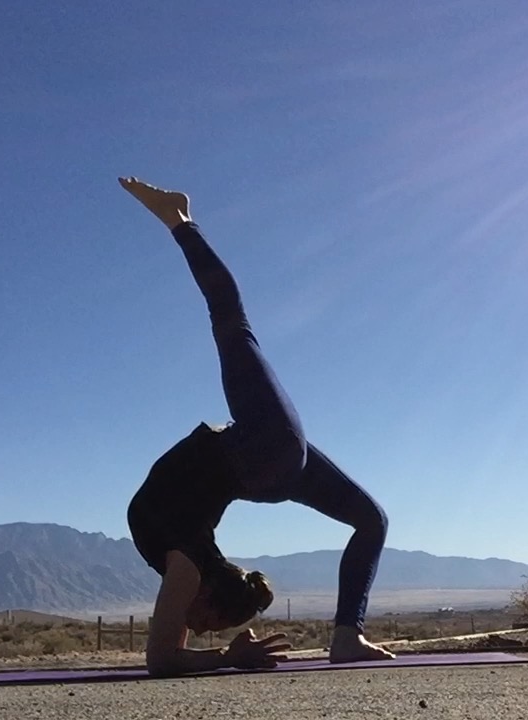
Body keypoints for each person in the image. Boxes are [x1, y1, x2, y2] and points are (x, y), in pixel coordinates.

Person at [118, 176, 396, 677]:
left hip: (263, 465)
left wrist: (224, 657)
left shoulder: (186, 565)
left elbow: (165, 657)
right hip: (260, 452)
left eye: (206, 628)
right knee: (231, 322)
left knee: (373, 520)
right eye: (208, 624)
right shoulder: (188, 568)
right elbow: (164, 658)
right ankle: (179, 221)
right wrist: (227, 658)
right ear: (208, 593)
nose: (196, 628)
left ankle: (347, 635)